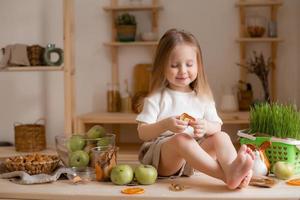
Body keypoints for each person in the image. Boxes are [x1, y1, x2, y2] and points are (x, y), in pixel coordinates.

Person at [136, 28, 254, 189]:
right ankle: (227, 176)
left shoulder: (202, 97)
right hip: (164, 158)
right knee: (182, 139)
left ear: (198, 65)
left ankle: (233, 168)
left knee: (222, 136)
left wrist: (206, 126)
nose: (183, 70)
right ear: (162, 67)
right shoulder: (157, 98)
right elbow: (142, 133)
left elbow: (216, 126)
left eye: (189, 64)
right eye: (174, 65)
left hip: (193, 158)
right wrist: (165, 125)